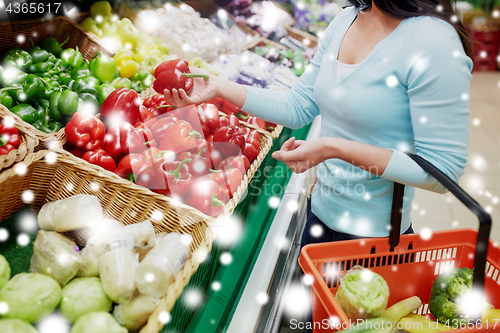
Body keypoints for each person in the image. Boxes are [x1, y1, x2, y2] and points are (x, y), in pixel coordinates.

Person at [163, 0, 473, 247]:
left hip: (375, 241)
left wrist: (332, 148)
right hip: (317, 220)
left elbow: (443, 172)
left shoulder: (432, 41)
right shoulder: (346, 20)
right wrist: (218, 87)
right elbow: (298, 106)